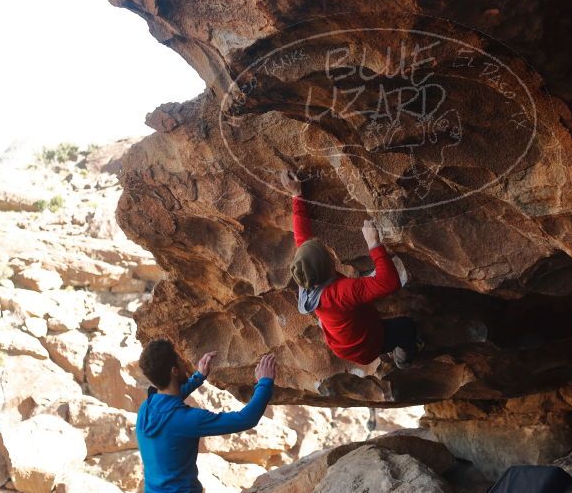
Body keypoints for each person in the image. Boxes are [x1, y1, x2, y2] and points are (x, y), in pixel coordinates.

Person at [280, 170, 421, 369]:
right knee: (407, 326)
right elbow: (389, 282)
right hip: (365, 346)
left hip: (343, 342)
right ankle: (403, 358)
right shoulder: (342, 292)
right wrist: (374, 244)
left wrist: (297, 194)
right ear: (329, 267)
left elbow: (302, 239)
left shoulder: (306, 277)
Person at [136, 340, 276, 493]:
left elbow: (171, 400)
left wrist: (199, 376)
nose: (184, 361)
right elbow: (246, 419)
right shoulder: (187, 420)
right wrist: (265, 381)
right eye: (180, 360)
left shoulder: (147, 408)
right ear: (174, 371)